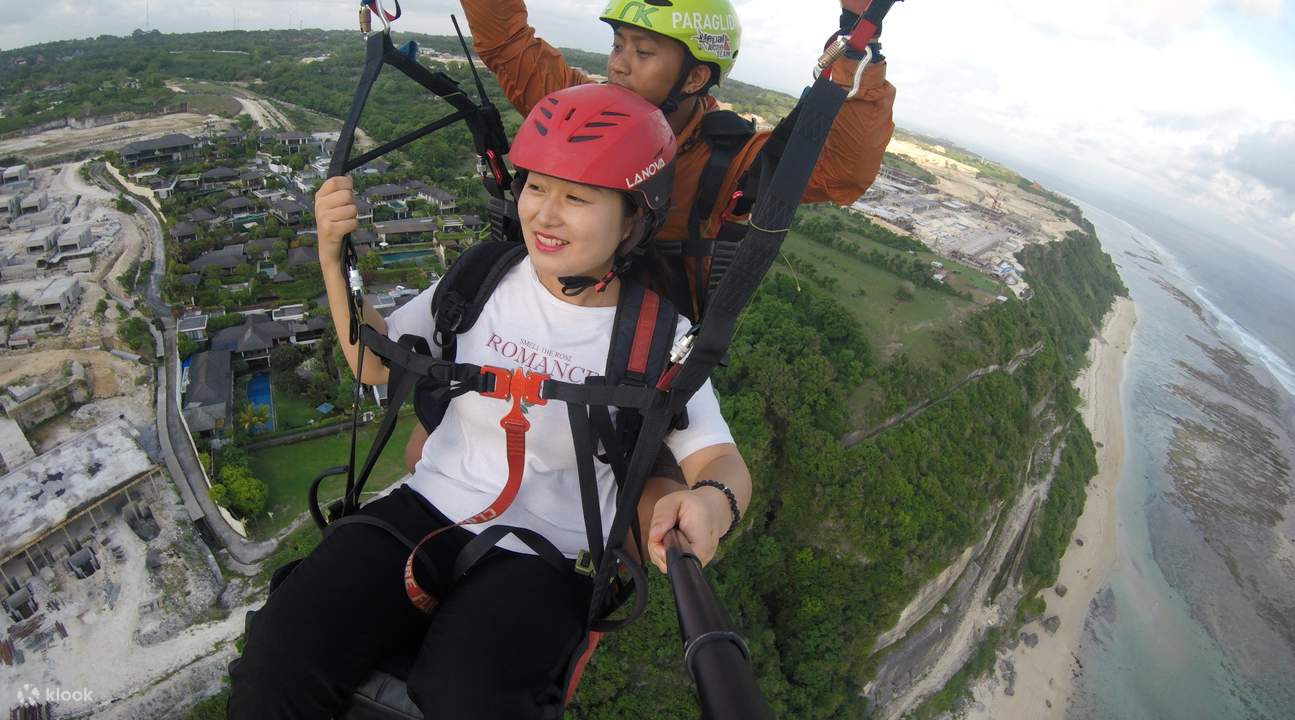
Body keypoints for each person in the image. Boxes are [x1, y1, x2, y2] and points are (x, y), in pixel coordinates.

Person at [227, 83, 751, 719]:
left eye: (577, 197)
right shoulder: (482, 277)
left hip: (546, 553)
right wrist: (333, 258)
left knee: (467, 696)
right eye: (536, 187)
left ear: (633, 218)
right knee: (276, 659)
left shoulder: (654, 336)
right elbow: (372, 359)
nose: (545, 215)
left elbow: (718, 460)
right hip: (425, 507)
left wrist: (710, 504)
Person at [396, 0, 897, 466]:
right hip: (538, 319)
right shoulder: (580, 112)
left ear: (695, 75)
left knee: (638, 503)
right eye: (618, 46)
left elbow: (839, 171)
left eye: (643, 52)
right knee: (427, 450)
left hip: (636, 356)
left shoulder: (726, 159)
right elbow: (510, 47)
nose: (618, 64)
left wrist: (860, 51)